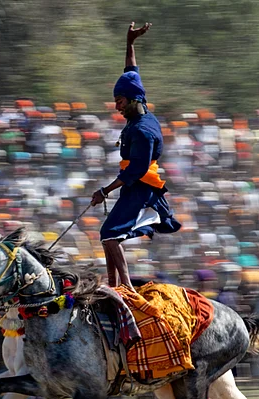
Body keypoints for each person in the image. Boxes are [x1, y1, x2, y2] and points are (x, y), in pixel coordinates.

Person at [90, 21, 181, 287]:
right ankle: (112, 284)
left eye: (119, 102)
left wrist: (105, 191)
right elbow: (131, 70)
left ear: (132, 100)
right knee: (107, 234)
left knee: (110, 234)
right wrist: (130, 42)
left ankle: (125, 288)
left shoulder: (143, 131)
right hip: (134, 185)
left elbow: (136, 171)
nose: (117, 107)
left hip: (142, 188)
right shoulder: (138, 101)